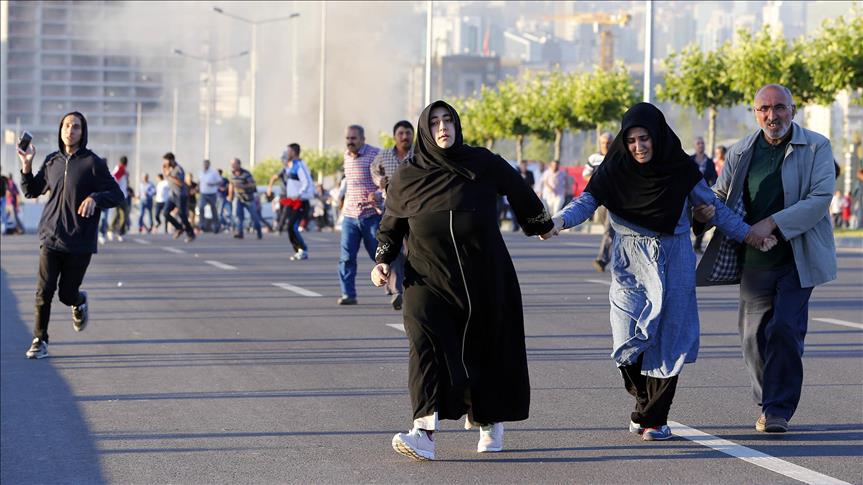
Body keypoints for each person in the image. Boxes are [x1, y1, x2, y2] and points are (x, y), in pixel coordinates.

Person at [543, 102, 772, 441]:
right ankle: (643, 402)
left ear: (658, 137)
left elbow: (715, 208)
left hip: (675, 255)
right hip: (630, 259)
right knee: (626, 337)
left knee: (670, 337)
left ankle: (654, 418)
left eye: (645, 138)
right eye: (632, 139)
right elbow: (587, 202)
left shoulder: (679, 167)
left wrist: (751, 235)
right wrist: (559, 221)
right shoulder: (613, 168)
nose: (638, 146)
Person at [372, 100, 554, 461]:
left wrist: (539, 224)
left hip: (482, 275)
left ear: (457, 125)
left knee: (484, 348)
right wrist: (383, 260)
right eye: (436, 122)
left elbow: (518, 188)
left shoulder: (482, 163)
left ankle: (489, 419)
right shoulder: (408, 177)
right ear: (426, 130)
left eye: (448, 120)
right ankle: (423, 432)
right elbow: (391, 227)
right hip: (427, 277)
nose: (443, 127)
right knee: (422, 341)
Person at [693, 84, 837, 434]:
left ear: (793, 109)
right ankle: (767, 397)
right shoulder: (742, 150)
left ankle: (777, 409)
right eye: (764, 109)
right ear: (755, 113)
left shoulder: (817, 146)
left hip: (798, 257)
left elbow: (820, 198)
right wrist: (702, 212)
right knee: (752, 336)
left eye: (779, 108)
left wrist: (772, 222)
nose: (772, 116)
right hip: (754, 258)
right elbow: (721, 194)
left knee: (786, 328)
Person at [18, 111, 124, 359]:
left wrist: (95, 198)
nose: (70, 130)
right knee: (43, 291)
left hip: (80, 241)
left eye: (76, 127)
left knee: (66, 294)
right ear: (60, 129)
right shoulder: (52, 160)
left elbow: (117, 195)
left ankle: (78, 300)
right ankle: (39, 340)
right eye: (66, 126)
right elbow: (32, 191)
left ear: (82, 132)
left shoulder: (93, 163)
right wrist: (26, 165)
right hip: (51, 236)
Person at [370, 120, 414, 310]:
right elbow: (373, 169)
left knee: (411, 251)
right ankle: (397, 291)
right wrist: (380, 182)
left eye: (408, 133)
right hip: (392, 209)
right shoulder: (385, 155)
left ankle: (410, 289)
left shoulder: (420, 155)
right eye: (401, 133)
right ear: (395, 136)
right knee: (392, 251)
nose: (405, 137)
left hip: (415, 209)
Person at [337, 125, 381, 305]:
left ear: (363, 139)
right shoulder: (346, 156)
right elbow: (348, 183)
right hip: (350, 217)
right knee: (346, 258)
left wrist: (377, 194)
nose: (350, 142)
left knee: (379, 256)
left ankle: (395, 288)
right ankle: (348, 294)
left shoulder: (376, 155)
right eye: (348, 138)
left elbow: (385, 182)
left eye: (353, 138)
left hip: (371, 215)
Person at [267, 143, 313, 259]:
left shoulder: (300, 165)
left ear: (293, 152)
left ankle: (303, 249)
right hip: (292, 201)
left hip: (300, 201)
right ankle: (299, 250)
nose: (286, 153)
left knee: (292, 226)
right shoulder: (292, 166)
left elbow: (307, 182)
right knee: (290, 227)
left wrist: (299, 194)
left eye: (288, 151)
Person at [584, 132, 615, 272]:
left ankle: (602, 259)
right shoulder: (594, 158)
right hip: (600, 200)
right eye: (603, 143)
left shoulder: (619, 156)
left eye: (608, 143)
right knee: (607, 229)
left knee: (609, 230)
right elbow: (586, 174)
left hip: (616, 200)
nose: (606, 145)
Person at [691, 137, 718, 254]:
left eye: (702, 143)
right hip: (689, 195)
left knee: (703, 219)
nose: (701, 145)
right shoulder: (689, 160)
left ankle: (697, 245)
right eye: (698, 143)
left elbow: (714, 178)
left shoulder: (709, 162)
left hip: (703, 197)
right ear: (695, 146)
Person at [161, 152, 195, 242]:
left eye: (166, 161)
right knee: (165, 213)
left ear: (172, 160)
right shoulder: (169, 169)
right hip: (172, 195)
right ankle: (179, 228)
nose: (165, 163)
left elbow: (180, 183)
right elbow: (166, 177)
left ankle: (190, 233)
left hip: (180, 195)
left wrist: (169, 176)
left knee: (182, 215)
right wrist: (165, 170)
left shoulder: (179, 169)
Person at [228, 157, 262, 240]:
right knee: (238, 216)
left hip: (248, 198)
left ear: (239, 165)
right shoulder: (232, 174)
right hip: (239, 198)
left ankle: (259, 231)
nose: (232, 166)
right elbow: (231, 185)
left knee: (254, 216)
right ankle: (240, 232)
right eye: (231, 164)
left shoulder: (246, 174)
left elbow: (252, 184)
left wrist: (242, 186)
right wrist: (230, 196)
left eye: (234, 164)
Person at [108, 155, 129, 242]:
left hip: (121, 195)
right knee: (124, 214)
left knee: (117, 214)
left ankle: (111, 230)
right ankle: (119, 232)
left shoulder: (120, 168)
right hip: (120, 195)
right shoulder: (121, 168)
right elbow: (114, 178)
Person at [198, 159, 222, 233]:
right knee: (201, 207)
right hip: (203, 193)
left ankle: (216, 226)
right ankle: (201, 224)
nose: (205, 166)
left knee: (213, 209)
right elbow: (200, 182)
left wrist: (213, 184)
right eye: (204, 164)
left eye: (206, 164)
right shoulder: (201, 172)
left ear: (209, 165)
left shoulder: (213, 172)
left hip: (212, 193)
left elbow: (220, 181)